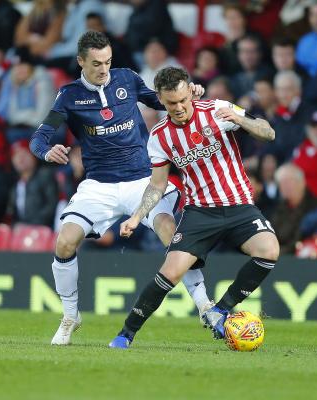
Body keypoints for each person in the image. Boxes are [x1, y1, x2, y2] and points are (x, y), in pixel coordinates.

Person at [29, 31, 210, 346]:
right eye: (97, 63)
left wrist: (188, 92)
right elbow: (39, 137)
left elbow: (161, 100)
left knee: (170, 230)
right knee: (65, 242)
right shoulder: (69, 96)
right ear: (81, 61)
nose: (104, 69)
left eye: (108, 61)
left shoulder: (126, 79)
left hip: (142, 179)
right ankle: (70, 316)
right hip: (99, 185)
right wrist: (47, 151)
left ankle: (205, 305)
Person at [111, 66, 279, 349]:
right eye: (171, 103)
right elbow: (157, 185)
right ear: (161, 101)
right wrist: (137, 216)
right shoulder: (159, 137)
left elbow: (268, 132)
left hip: (239, 204)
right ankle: (125, 334)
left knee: (269, 250)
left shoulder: (218, 109)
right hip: (200, 211)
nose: (178, 108)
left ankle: (220, 309)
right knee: (171, 272)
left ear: (191, 90)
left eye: (182, 100)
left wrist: (240, 119)